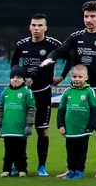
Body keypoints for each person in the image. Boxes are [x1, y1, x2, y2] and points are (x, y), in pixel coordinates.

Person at [53, 2, 96, 178]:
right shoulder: (76, 36)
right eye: (86, 16)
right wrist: (50, 58)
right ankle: (73, 167)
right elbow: (61, 50)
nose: (88, 20)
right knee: (74, 128)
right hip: (78, 89)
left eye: (92, 16)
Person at [9, 14, 61, 176]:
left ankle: (41, 166)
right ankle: (18, 165)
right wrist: (17, 78)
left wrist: (62, 77)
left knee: (42, 130)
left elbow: (70, 57)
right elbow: (14, 63)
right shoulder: (21, 45)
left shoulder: (53, 44)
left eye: (40, 25)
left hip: (43, 93)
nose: (36, 28)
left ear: (45, 27)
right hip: (24, 94)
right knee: (20, 130)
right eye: (34, 25)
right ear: (29, 27)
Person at [58, 65, 96, 179]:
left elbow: (95, 110)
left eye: (80, 77)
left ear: (86, 78)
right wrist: (60, 124)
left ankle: (79, 170)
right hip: (70, 128)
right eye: (74, 76)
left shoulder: (89, 91)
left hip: (83, 129)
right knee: (70, 151)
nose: (77, 79)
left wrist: (91, 125)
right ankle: (71, 170)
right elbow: (61, 109)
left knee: (81, 151)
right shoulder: (67, 92)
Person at [0, 68, 36, 177]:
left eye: (18, 77)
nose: (15, 80)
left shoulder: (27, 92)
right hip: (7, 128)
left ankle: (22, 170)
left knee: (20, 152)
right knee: (8, 151)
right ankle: (6, 170)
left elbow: (31, 109)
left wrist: (29, 125)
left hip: (20, 128)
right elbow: (0, 109)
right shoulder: (5, 92)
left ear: (23, 80)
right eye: (12, 77)